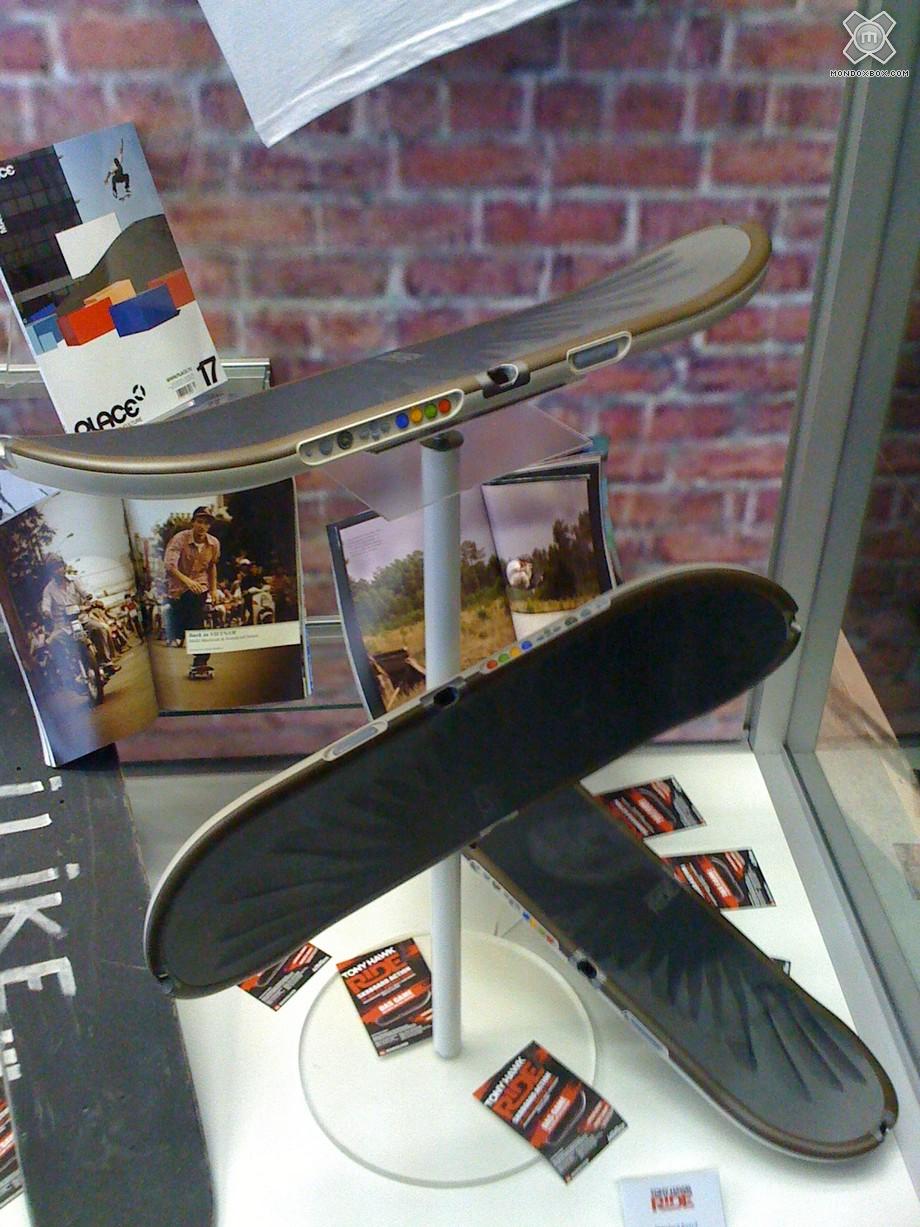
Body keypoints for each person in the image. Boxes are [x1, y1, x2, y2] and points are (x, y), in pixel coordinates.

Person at [163, 507, 220, 680]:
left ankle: (201, 659)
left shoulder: (214, 543)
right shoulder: (179, 539)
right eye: (199, 522)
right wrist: (188, 582)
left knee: (197, 617)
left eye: (206, 523)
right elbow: (170, 566)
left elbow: (212, 566)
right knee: (182, 625)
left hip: (200, 587)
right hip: (178, 587)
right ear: (193, 522)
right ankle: (178, 631)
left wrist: (213, 589)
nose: (202, 526)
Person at [40, 555, 119, 675]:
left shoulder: (74, 581)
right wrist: (46, 612)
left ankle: (106, 662)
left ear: (64, 567)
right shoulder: (48, 590)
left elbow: (85, 592)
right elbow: (46, 604)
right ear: (50, 572)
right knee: (51, 642)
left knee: (101, 628)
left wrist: (92, 600)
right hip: (63, 625)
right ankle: (68, 671)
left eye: (59, 566)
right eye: (54, 568)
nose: (58, 570)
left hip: (82, 619)